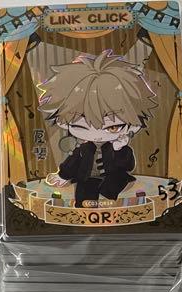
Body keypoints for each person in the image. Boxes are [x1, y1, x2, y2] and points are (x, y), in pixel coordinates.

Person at [39, 51, 155, 207]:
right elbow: (72, 162)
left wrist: (119, 149)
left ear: (133, 124)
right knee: (84, 193)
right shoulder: (84, 148)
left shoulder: (118, 145)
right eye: (80, 126)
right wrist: (62, 175)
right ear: (64, 123)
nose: (97, 134)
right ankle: (85, 213)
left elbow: (128, 166)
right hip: (88, 178)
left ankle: (110, 207)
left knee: (114, 185)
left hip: (114, 178)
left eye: (113, 127)